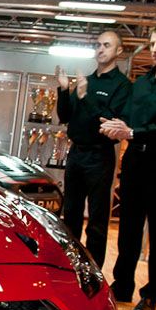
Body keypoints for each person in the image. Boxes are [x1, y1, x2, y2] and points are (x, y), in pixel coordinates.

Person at [55, 29, 131, 268]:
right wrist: (64, 90)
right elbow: (65, 116)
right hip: (76, 154)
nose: (100, 49)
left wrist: (86, 96)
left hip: (100, 156)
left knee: (97, 221)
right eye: (98, 45)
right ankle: (71, 269)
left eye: (106, 45)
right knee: (71, 217)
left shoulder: (122, 86)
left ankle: (94, 274)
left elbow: (108, 123)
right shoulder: (87, 80)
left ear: (118, 51)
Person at [100, 25, 156, 310]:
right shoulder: (141, 83)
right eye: (153, 43)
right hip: (135, 160)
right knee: (128, 230)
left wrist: (134, 132)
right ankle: (122, 285)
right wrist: (115, 126)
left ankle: (151, 294)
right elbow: (127, 118)